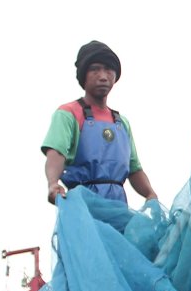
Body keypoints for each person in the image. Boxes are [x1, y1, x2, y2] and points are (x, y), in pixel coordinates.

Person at [42, 41, 158, 205]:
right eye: (95, 69)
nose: (103, 76)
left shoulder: (122, 123)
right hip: (82, 205)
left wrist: (150, 193)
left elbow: (134, 169)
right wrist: (53, 183)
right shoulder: (69, 113)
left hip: (118, 208)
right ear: (84, 75)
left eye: (108, 70)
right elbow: (56, 153)